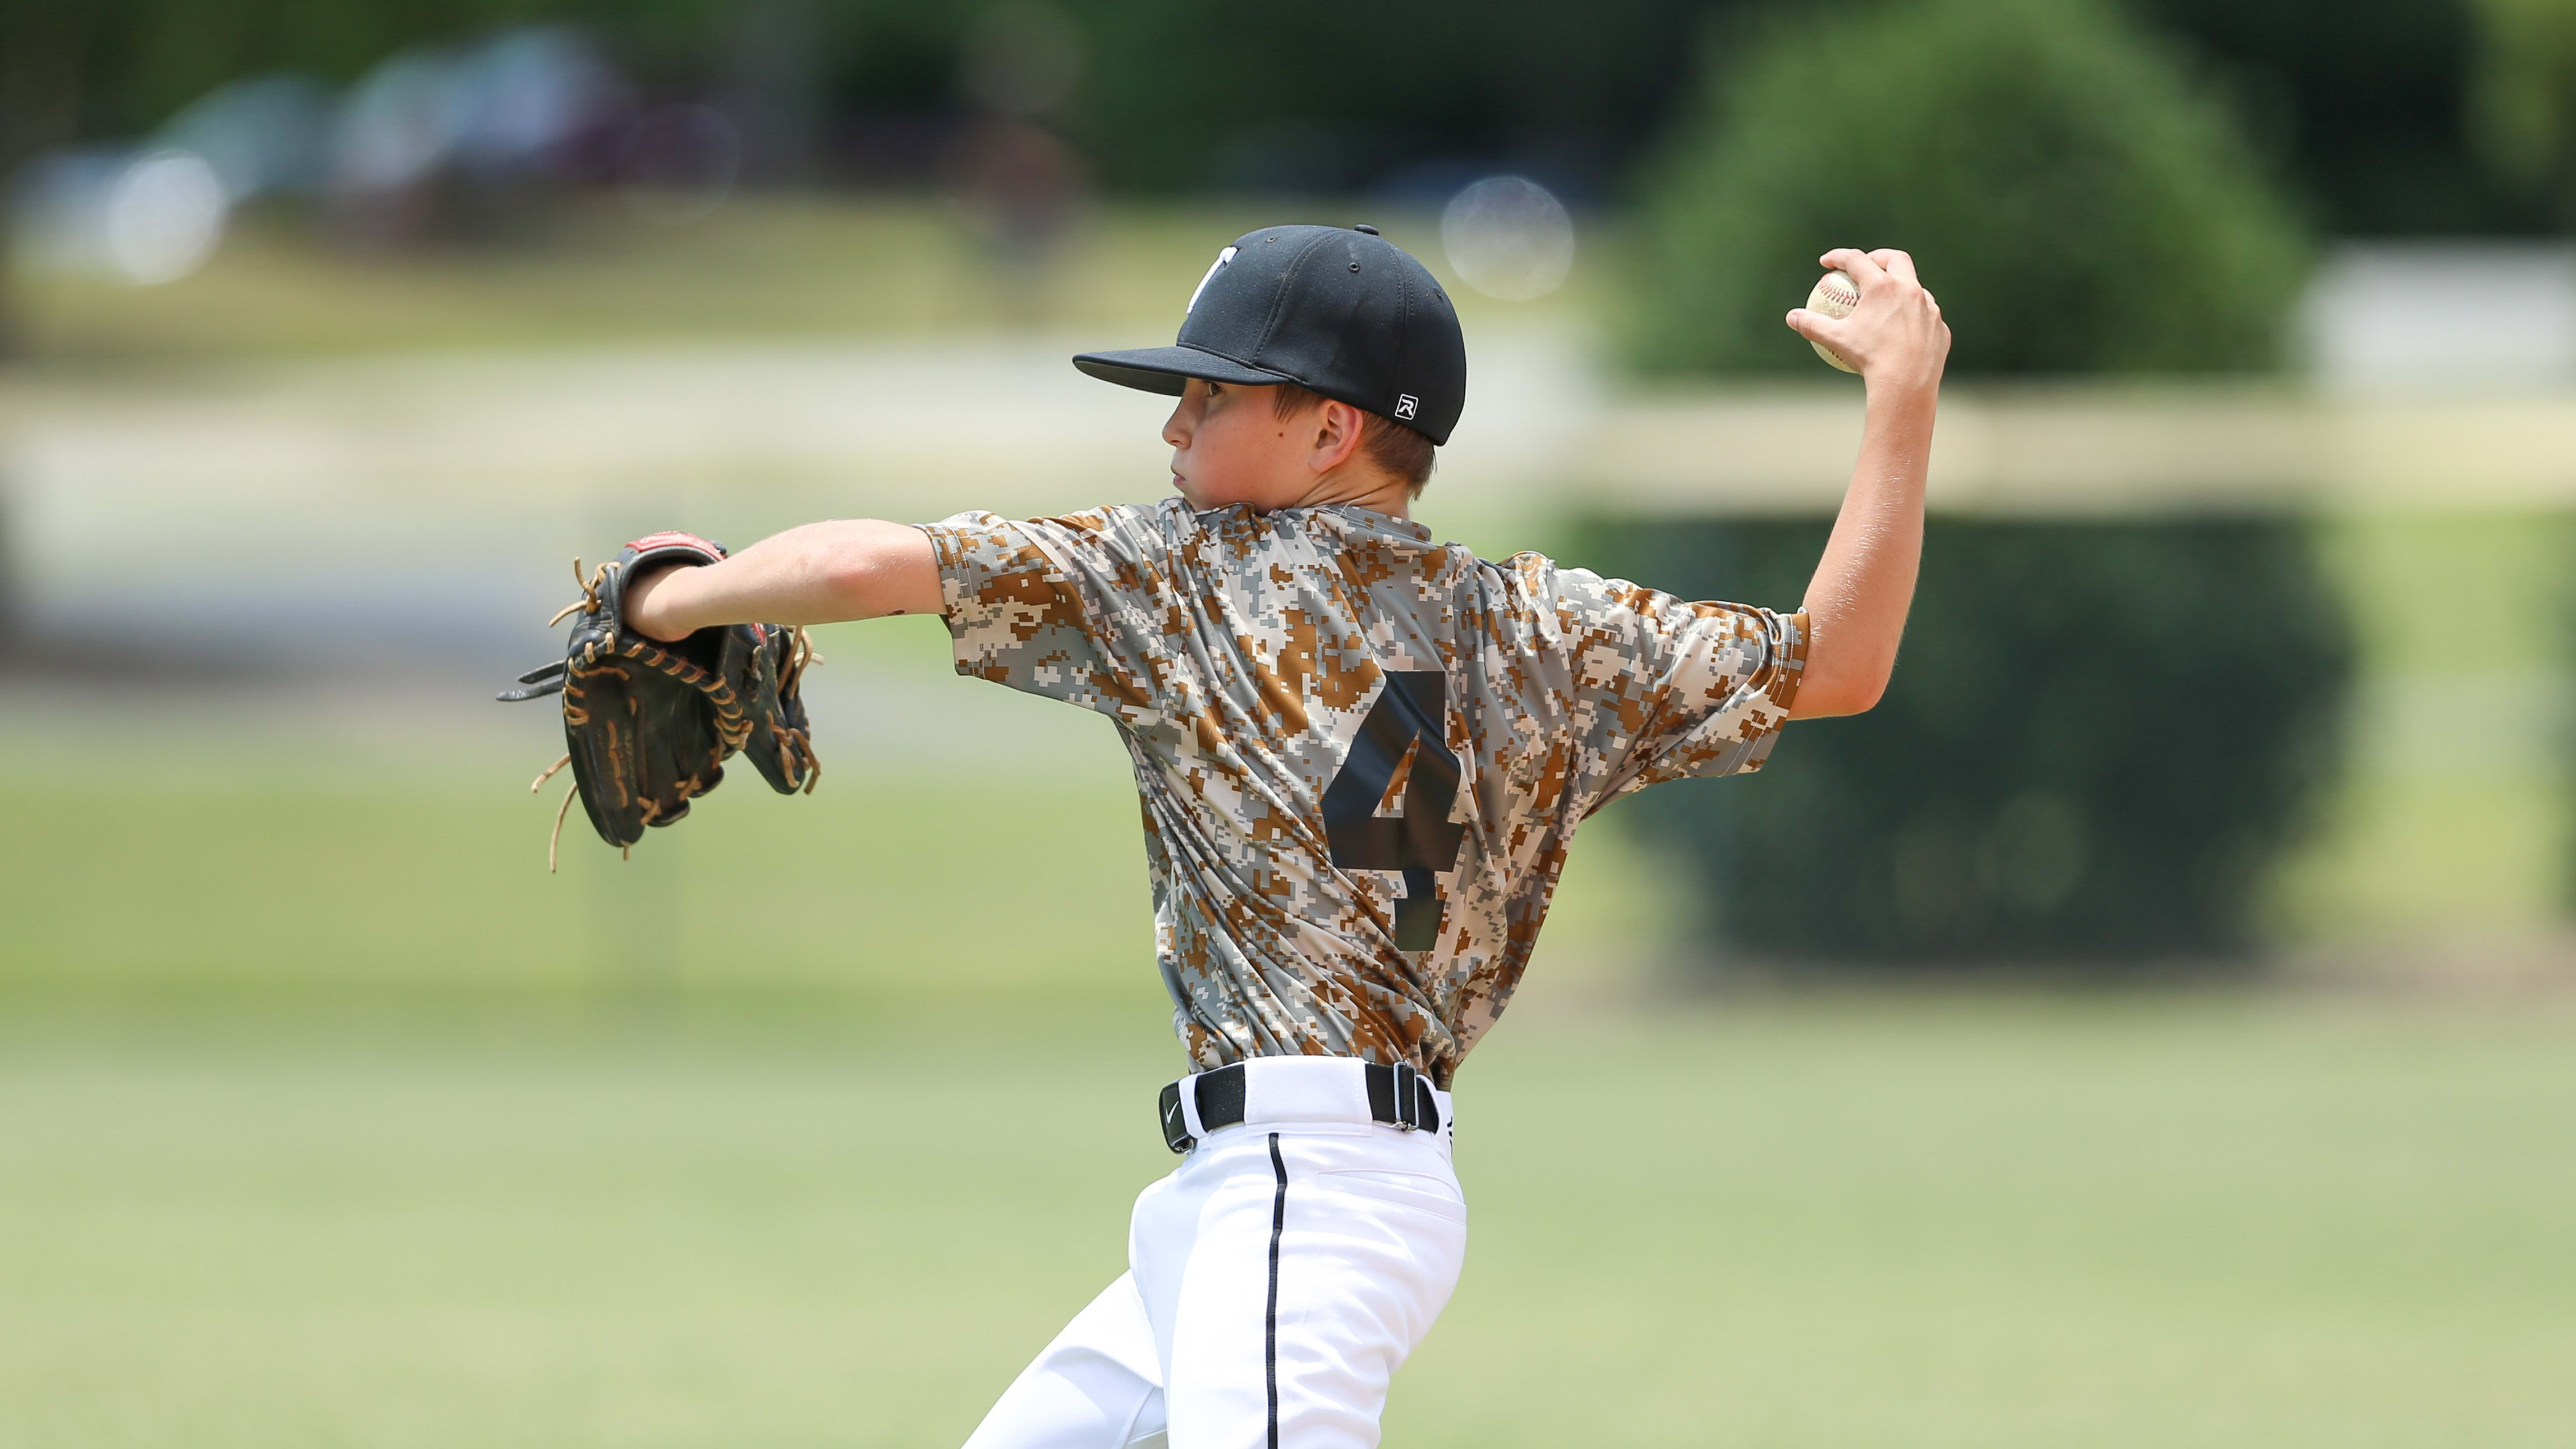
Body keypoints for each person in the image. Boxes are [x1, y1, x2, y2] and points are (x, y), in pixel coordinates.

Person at [622, 224, 1947, 1448]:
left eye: (1212, 396)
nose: (1175, 427)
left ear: (1331, 431)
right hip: (1285, 1199)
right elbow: (1838, 663)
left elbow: (866, 570)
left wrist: (676, 598)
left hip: (1301, 1193)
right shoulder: (1542, 628)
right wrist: (1902, 401)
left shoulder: (1186, 572)